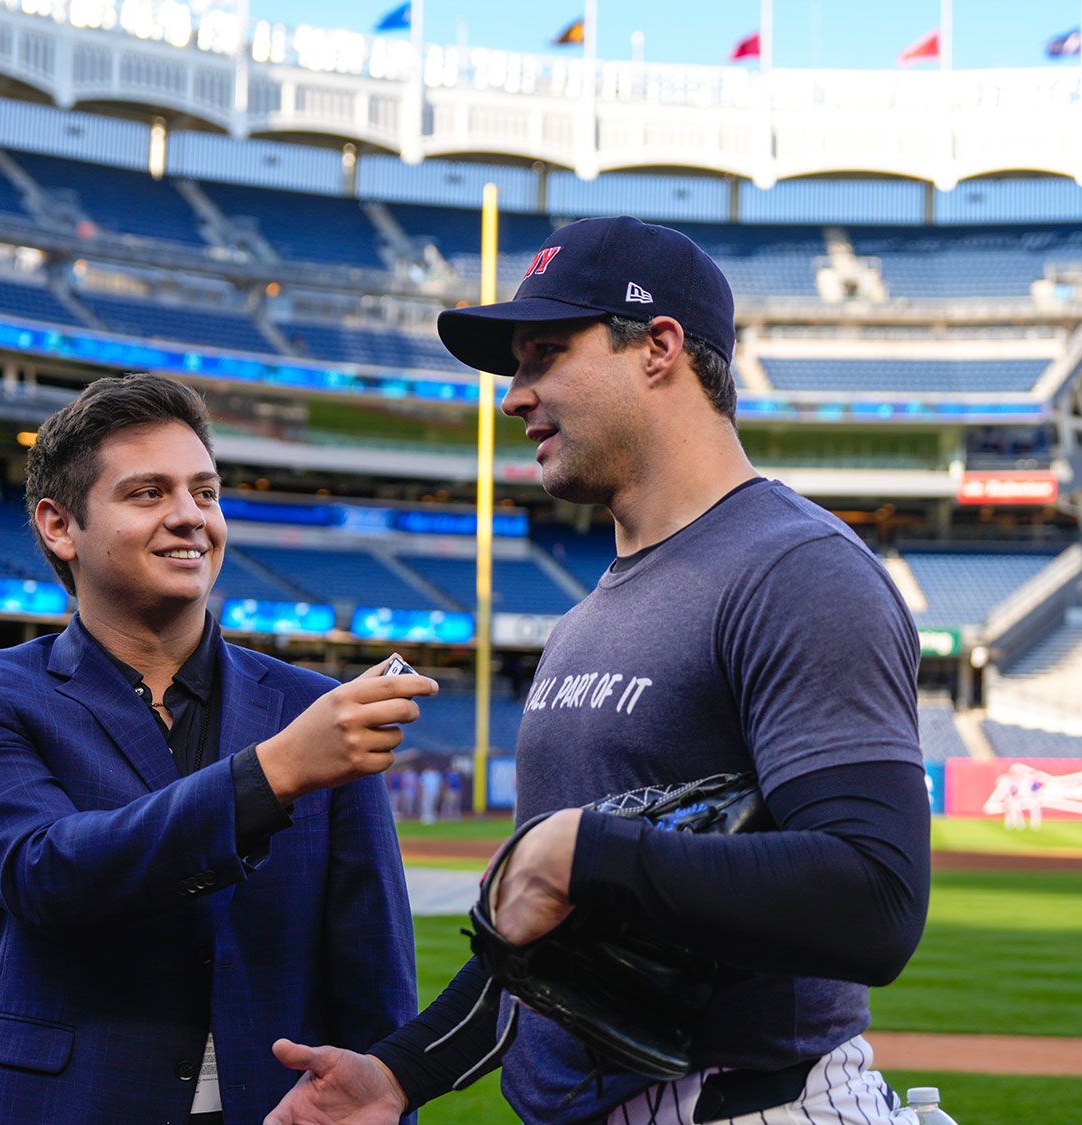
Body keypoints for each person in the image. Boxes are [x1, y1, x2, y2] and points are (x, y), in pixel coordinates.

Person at [266, 217, 932, 1125]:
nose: (514, 395)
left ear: (659, 347)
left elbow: (877, 899)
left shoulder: (797, 569)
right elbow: (548, 944)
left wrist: (591, 852)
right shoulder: (587, 620)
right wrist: (398, 1075)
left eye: (544, 352)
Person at [0, 373, 434, 1123]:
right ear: (60, 525)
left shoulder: (312, 706)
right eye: (148, 493)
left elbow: (373, 976)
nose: (190, 517)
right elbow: (48, 873)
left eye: (206, 492)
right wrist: (275, 771)